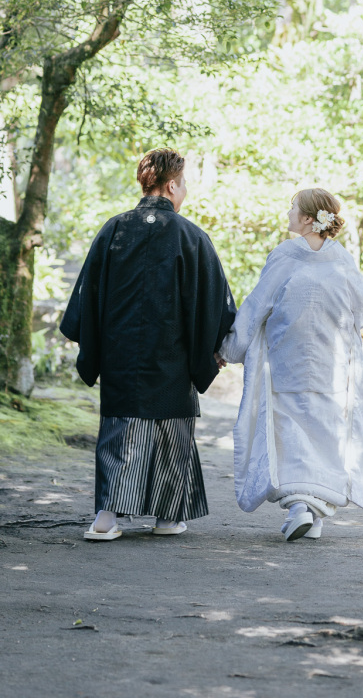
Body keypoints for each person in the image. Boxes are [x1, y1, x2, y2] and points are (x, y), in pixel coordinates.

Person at [60, 149, 236, 542]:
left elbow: (88, 296)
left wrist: (94, 347)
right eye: (184, 183)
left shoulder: (114, 229)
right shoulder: (191, 236)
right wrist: (214, 350)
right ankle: (168, 518)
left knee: (120, 431)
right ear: (171, 185)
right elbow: (213, 303)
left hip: (121, 356)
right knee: (172, 434)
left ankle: (105, 519)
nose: (185, 190)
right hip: (174, 358)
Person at [219, 187, 363, 541]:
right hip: (331, 365)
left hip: (287, 362)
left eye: (292, 208)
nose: (288, 213)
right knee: (325, 437)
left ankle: (300, 509)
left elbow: (257, 306)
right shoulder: (341, 259)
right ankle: (312, 514)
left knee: (290, 437)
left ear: (309, 218)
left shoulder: (285, 256)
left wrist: (229, 348)